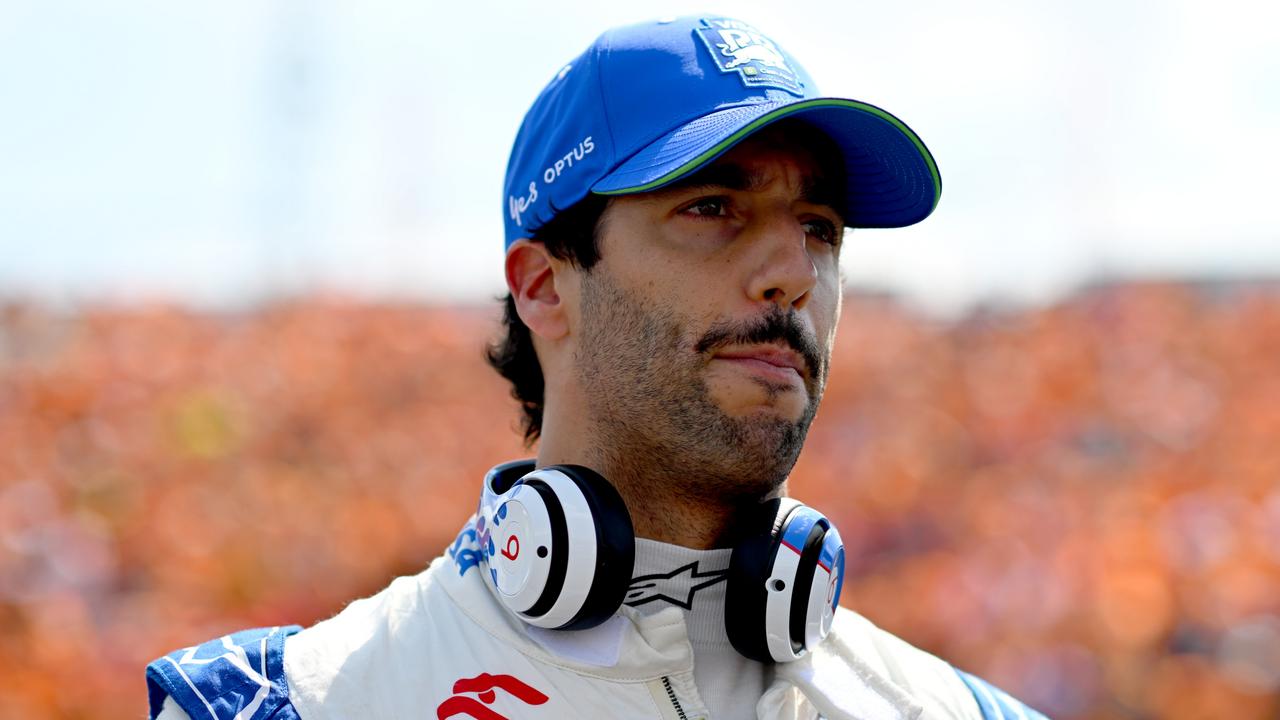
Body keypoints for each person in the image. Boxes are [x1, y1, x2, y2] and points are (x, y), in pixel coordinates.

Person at [146, 16, 1050, 720]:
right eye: (711, 206)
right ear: (544, 286)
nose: (793, 274)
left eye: (820, 229)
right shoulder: (290, 702)